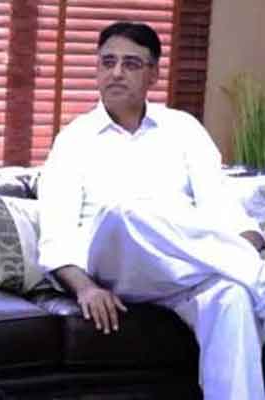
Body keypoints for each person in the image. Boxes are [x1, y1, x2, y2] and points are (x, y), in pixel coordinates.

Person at [37, 21, 265, 400]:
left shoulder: (184, 129)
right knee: (126, 210)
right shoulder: (73, 140)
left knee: (232, 297)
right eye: (107, 62)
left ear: (154, 75)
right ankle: (259, 279)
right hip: (120, 268)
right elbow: (56, 235)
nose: (116, 73)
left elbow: (222, 210)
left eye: (130, 64)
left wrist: (249, 241)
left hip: (184, 271)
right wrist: (87, 288)